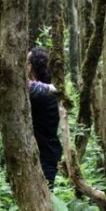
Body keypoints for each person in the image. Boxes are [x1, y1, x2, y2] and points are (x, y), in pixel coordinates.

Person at [27, 47, 63, 187]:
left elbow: (25, 86)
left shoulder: (43, 93)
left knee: (44, 195)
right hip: (47, 151)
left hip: (44, 154)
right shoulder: (50, 89)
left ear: (30, 67)